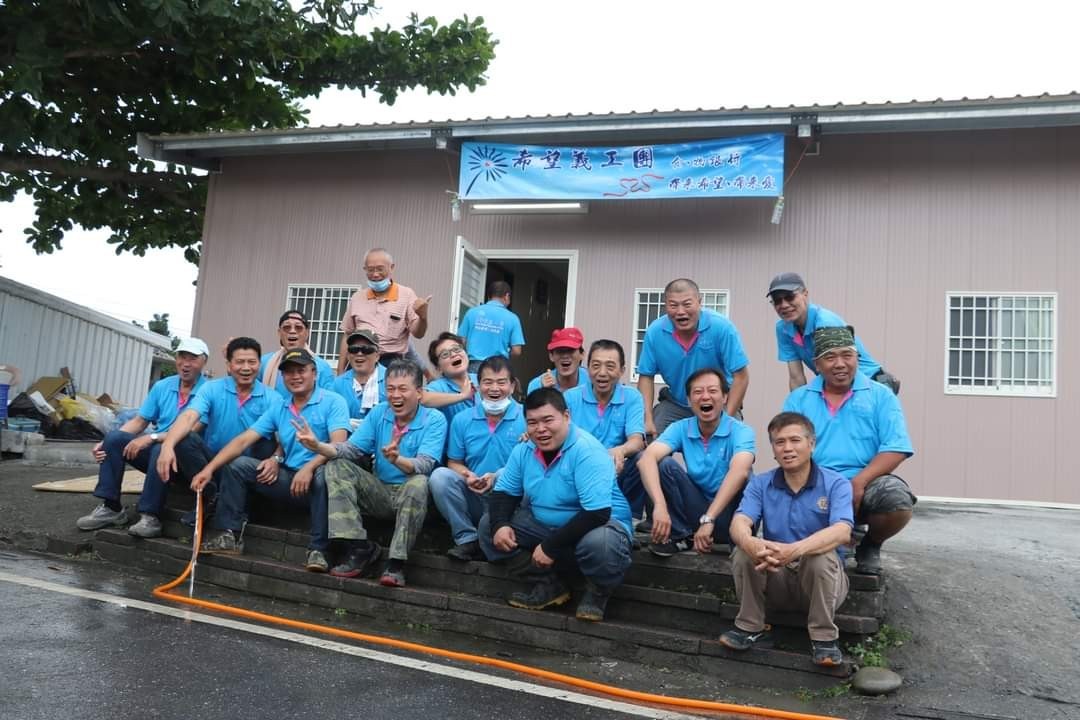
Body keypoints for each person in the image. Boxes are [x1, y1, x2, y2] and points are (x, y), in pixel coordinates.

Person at [479, 388, 634, 622]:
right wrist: (500, 524)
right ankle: (548, 583)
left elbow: (597, 514)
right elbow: (504, 494)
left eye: (548, 420)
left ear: (566, 416)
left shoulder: (587, 450)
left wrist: (551, 546)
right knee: (488, 526)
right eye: (532, 423)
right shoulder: (524, 450)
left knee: (601, 544)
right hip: (543, 527)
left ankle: (598, 592)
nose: (540, 429)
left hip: (598, 528)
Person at [192, 349, 350, 573]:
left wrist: (309, 467)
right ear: (282, 377)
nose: (295, 376)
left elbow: (339, 445)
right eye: (289, 372)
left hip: (320, 480)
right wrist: (209, 469)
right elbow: (243, 440)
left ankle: (319, 550)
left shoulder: (333, 402)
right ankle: (229, 535)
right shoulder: (280, 406)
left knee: (324, 476)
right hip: (289, 479)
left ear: (314, 373)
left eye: (301, 371)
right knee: (238, 466)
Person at [297, 359, 447, 588]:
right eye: (390, 389)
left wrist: (397, 459)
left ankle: (396, 564)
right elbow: (351, 449)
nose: (395, 395)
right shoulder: (379, 413)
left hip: (413, 495)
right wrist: (318, 446)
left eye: (403, 389)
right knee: (336, 466)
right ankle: (359, 547)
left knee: (418, 482)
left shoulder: (434, 419)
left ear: (419, 392)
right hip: (381, 490)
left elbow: (425, 465)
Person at [720, 412, 853, 667]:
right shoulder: (761, 483)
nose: (787, 448)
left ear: (811, 444)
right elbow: (739, 522)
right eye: (779, 442)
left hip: (823, 586)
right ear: (773, 449)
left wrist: (795, 550)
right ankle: (750, 627)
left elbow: (842, 531)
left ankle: (824, 638)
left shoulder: (836, 483)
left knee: (820, 557)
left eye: (795, 440)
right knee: (743, 551)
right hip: (777, 579)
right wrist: (751, 543)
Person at [782, 326, 915, 575]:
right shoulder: (798, 399)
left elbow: (896, 448)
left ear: (857, 358)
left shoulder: (882, 396)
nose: (840, 364)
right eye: (830, 357)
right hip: (813, 484)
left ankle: (870, 545)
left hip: (864, 484)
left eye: (847, 355)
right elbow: (788, 446)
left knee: (896, 499)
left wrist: (858, 482)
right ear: (817, 364)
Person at [146, 337, 278, 537]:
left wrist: (276, 458)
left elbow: (284, 438)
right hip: (215, 465)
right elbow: (189, 416)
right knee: (185, 438)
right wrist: (167, 446)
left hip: (248, 472)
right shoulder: (211, 389)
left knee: (266, 444)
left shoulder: (273, 398)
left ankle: (225, 508)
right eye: (239, 362)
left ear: (259, 364)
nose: (246, 368)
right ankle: (210, 497)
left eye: (251, 362)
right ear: (229, 365)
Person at [77, 338, 209, 532]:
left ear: (204, 361)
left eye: (193, 358)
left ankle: (150, 516)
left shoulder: (209, 391)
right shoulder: (163, 386)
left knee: (159, 447)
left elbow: (193, 429)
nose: (185, 363)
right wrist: (105, 443)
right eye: (182, 357)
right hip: (158, 458)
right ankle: (111, 507)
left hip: (188, 461)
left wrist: (151, 438)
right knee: (114, 439)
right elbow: (139, 421)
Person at [623, 368, 755, 557]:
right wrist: (660, 506)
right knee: (664, 465)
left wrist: (709, 519)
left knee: (747, 476)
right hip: (698, 513)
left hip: (731, 518)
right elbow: (646, 459)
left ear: (725, 397)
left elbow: (740, 471)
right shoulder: (681, 428)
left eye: (712, 391)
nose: (705, 397)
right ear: (688, 400)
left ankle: (740, 543)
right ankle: (682, 536)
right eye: (698, 392)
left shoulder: (741, 431)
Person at [429, 356, 526, 561]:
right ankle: (467, 539)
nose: (494, 389)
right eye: (488, 382)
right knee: (439, 476)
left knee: (505, 474)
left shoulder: (527, 418)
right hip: (475, 493)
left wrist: (495, 477)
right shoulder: (462, 419)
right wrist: (468, 475)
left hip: (511, 498)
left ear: (512, 386)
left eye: (501, 382)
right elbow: (454, 462)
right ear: (478, 385)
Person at [637, 278, 749, 436]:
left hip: (717, 403)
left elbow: (741, 376)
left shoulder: (722, 327)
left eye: (687, 304)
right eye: (673, 305)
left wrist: (726, 418)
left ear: (699, 302)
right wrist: (647, 418)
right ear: (665, 306)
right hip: (677, 403)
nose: (680, 311)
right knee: (650, 436)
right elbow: (646, 376)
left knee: (732, 439)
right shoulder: (655, 332)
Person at [767, 272, 899, 393]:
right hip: (835, 383)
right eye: (777, 301)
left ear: (805, 294)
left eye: (790, 297)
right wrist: (796, 407)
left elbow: (840, 369)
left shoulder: (826, 322)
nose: (784, 305)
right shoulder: (783, 329)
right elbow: (796, 378)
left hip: (869, 383)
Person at [563, 339, 646, 484]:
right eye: (596, 365)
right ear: (588, 368)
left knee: (646, 459)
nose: (602, 373)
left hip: (617, 466)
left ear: (622, 371)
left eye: (610, 366)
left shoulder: (632, 397)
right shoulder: (570, 397)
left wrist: (619, 451)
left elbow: (637, 441)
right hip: (579, 466)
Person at [337, 248, 431, 370]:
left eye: (380, 269)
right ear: (365, 269)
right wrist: (340, 371)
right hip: (360, 358)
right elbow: (347, 334)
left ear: (391, 267)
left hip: (392, 363)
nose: (375, 274)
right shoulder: (357, 297)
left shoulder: (406, 294)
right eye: (370, 270)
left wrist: (423, 317)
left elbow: (418, 334)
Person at [260, 309, 335, 399]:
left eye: (298, 327)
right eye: (287, 327)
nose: (292, 331)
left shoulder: (322, 366)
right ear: (279, 333)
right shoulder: (264, 363)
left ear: (307, 333)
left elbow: (328, 400)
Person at [458, 280, 525, 373]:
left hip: (473, 365)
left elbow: (461, 341)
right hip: (498, 367)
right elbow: (517, 351)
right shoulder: (513, 318)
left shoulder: (472, 312)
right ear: (507, 296)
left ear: (488, 296)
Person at [330, 328, 386, 424]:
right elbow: (330, 415)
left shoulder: (392, 380)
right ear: (348, 355)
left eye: (366, 349)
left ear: (377, 355)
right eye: (354, 349)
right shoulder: (338, 384)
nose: (359, 354)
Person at [422, 331, 477, 424]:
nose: (454, 354)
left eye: (457, 349)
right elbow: (422, 398)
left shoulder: (480, 378)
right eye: (445, 354)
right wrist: (463, 396)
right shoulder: (439, 386)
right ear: (438, 368)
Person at [526, 327, 588, 394]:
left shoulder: (592, 381)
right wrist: (544, 392)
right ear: (551, 356)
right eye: (560, 351)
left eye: (570, 350)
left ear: (582, 354)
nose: (565, 356)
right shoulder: (537, 385)